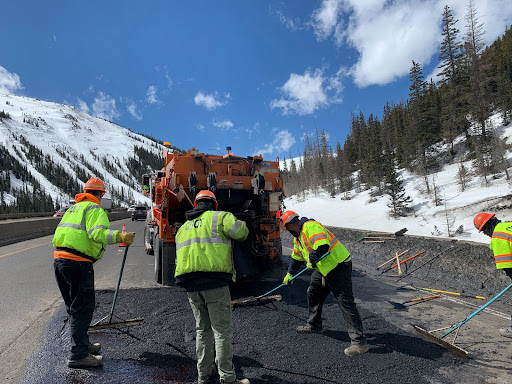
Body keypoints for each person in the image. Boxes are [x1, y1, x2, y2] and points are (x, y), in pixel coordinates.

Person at [53, 177, 136, 368]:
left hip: (59, 260)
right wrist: (119, 236)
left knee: (74, 307)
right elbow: (97, 234)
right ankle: (78, 355)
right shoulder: (95, 209)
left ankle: (82, 345)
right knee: (82, 308)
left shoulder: (73, 208)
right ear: (100, 194)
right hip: (77, 263)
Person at [175, 190, 250, 384]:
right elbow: (240, 233)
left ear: (197, 205)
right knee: (221, 330)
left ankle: (203, 375)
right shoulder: (221, 217)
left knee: (202, 330)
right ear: (214, 204)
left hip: (190, 285)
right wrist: (243, 222)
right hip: (214, 282)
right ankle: (227, 377)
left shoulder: (184, 227)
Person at [281, 210, 369, 356]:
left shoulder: (310, 227)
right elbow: (296, 258)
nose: (288, 231)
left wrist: (312, 259)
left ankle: (360, 343)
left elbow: (323, 246)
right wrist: (290, 274)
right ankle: (314, 325)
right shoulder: (299, 238)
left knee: (345, 302)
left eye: (287, 228)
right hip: (324, 269)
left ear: (290, 225)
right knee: (313, 293)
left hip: (339, 266)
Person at [474, 212, 512, 338]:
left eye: (484, 231)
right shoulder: (508, 225)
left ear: (488, 227)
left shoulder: (498, 238)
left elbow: (508, 266)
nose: (485, 234)